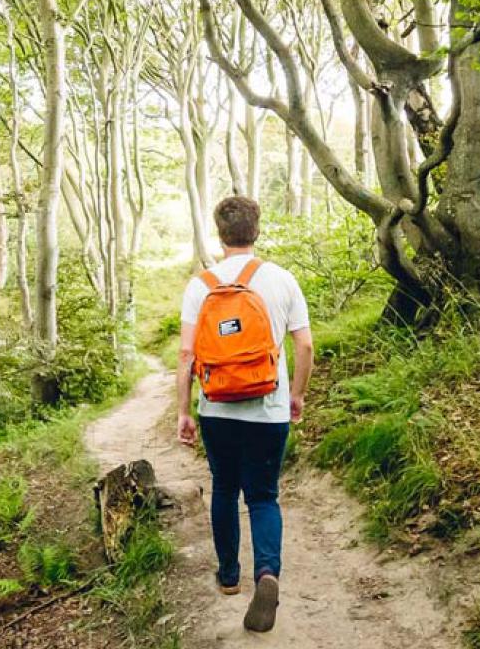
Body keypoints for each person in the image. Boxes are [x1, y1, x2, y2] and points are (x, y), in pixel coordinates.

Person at [175, 195, 313, 633]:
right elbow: (305, 346)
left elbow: (185, 353)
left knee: (224, 490)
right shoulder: (281, 279)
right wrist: (296, 394)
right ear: (256, 230)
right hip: (268, 406)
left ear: (220, 233)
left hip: (217, 408)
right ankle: (267, 574)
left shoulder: (201, 285)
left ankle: (230, 577)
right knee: (263, 495)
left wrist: (184, 410)